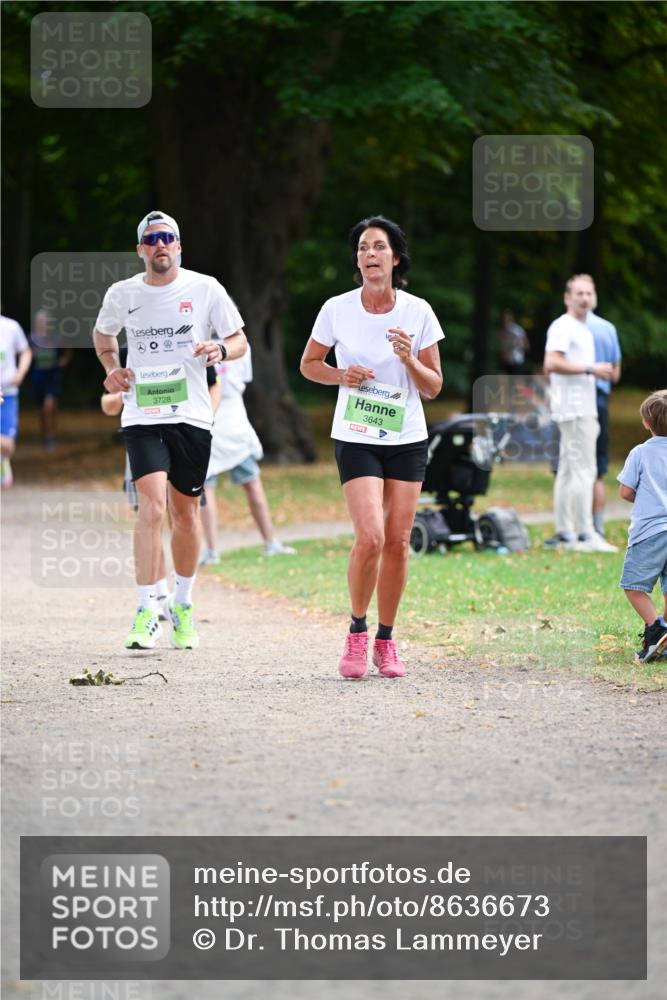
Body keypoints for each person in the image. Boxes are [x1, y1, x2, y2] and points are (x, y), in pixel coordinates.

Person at [93, 210, 247, 650]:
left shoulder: (205, 288)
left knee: (185, 514)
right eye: (152, 238)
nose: (160, 244)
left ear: (179, 246)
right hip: (143, 415)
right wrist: (112, 369)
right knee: (152, 508)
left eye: (168, 238)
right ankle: (146, 610)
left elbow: (239, 339)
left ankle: (182, 603)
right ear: (141, 248)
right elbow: (103, 337)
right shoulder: (122, 293)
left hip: (192, 416)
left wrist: (219, 348)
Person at [300, 215, 444, 679]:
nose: (370, 254)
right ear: (357, 259)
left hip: (405, 438)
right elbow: (309, 364)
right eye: (363, 247)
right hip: (357, 435)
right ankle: (356, 631)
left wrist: (408, 359)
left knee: (399, 542)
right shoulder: (337, 309)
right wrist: (341, 375)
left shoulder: (418, 312)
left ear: (395, 257)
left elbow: (434, 386)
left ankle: (386, 639)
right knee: (371, 536)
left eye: (379, 247)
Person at [200, 345, 297, 563]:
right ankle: (213, 550)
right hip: (209, 416)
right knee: (207, 486)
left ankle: (268, 541)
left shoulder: (238, 344)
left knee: (248, 482)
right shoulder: (204, 341)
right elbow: (244, 379)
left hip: (230, 417)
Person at [543, 274, 617, 553]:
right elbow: (551, 361)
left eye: (589, 293)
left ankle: (566, 533)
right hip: (575, 409)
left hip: (575, 407)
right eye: (579, 293)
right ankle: (585, 534)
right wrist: (590, 369)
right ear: (567, 297)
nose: (585, 298)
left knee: (568, 471)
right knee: (583, 470)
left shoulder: (582, 328)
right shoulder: (564, 326)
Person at [617, 389, 667, 663]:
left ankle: (656, 628)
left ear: (646, 422)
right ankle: (662, 641)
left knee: (634, 586)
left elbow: (625, 492)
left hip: (650, 532)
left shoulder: (640, 453)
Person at [586, 295, 622, 537]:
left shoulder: (562, 326)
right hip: (600, 401)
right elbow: (615, 374)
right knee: (598, 469)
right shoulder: (608, 328)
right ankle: (597, 527)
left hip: (575, 403)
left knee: (571, 470)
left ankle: (575, 528)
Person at [29, 309, 72, 450]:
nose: (43, 324)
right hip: (37, 378)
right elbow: (24, 355)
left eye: (45, 321)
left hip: (52, 377)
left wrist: (62, 362)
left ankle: (51, 437)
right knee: (42, 410)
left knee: (50, 406)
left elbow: (67, 351)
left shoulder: (56, 338)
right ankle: (45, 436)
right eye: (40, 321)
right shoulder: (31, 338)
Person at [0, 312, 32, 488]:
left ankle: (2, 460)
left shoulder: (11, 327)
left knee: (7, 445)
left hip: (8, 392)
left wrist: (20, 373)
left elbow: (26, 350)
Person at [499, 309, 529, 375]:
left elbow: (526, 344)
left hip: (517, 359)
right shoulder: (502, 330)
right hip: (506, 359)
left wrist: (517, 344)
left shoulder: (517, 330)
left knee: (517, 380)